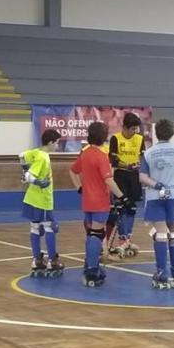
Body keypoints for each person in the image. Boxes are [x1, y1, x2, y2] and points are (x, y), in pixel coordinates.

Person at [70, 122, 132, 287]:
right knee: (96, 235)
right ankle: (92, 270)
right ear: (103, 137)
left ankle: (90, 264)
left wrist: (79, 187)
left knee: (92, 233)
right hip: (99, 201)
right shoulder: (101, 156)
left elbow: (73, 171)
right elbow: (109, 180)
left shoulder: (85, 154)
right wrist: (123, 197)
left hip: (87, 201)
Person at [139, 119, 174, 289]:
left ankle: (162, 272)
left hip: (156, 195)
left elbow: (142, 177)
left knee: (161, 233)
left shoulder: (148, 153)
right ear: (172, 132)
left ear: (156, 133)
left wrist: (156, 184)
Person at [19, 129, 63, 277]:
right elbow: (30, 176)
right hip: (43, 199)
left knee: (35, 228)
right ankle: (52, 260)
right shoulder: (44, 157)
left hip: (31, 198)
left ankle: (37, 259)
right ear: (50, 142)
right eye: (57, 143)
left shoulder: (35, 152)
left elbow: (22, 156)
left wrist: (24, 172)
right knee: (50, 226)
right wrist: (37, 181)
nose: (57, 146)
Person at [106, 112, 146, 257]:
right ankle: (122, 240)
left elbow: (142, 157)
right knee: (122, 207)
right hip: (121, 176)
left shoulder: (139, 139)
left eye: (136, 129)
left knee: (132, 208)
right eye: (132, 129)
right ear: (124, 127)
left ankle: (128, 238)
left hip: (134, 176)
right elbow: (113, 160)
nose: (135, 131)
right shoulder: (116, 139)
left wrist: (139, 166)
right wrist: (127, 165)